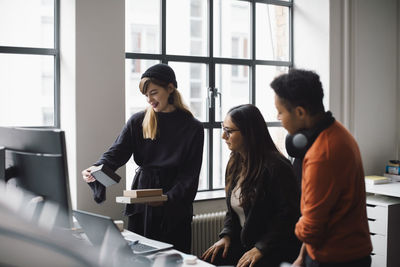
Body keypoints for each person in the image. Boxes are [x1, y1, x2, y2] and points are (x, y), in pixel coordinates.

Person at [82, 63, 204, 253]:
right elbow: (116, 153)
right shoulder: (138, 121)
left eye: (154, 92)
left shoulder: (193, 127)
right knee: (139, 256)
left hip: (175, 205)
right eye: (146, 95)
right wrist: (96, 169)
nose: (149, 100)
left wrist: (167, 198)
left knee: (173, 257)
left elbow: (189, 175)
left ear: (170, 88)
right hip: (143, 198)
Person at [270, 69, 372, 267]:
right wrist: (301, 257)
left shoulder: (322, 155)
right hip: (341, 253)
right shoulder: (337, 132)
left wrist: (297, 225)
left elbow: (311, 228)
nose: (278, 117)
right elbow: (320, 215)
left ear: (300, 112)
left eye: (280, 111)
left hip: (335, 259)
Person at [202, 104, 301, 267]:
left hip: (273, 246)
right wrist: (226, 235)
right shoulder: (235, 162)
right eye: (223, 129)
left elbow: (288, 217)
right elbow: (232, 211)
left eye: (229, 131)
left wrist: (261, 248)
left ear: (249, 133)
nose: (223, 136)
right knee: (207, 260)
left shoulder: (277, 166)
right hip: (244, 243)